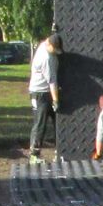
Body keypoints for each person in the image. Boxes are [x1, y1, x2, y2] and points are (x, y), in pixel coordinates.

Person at [28, 32, 63, 164]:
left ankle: (59, 151)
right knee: (39, 124)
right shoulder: (46, 59)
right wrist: (55, 100)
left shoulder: (45, 44)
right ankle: (34, 155)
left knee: (56, 122)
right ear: (49, 45)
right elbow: (52, 81)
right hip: (40, 94)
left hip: (46, 92)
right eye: (55, 49)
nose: (56, 52)